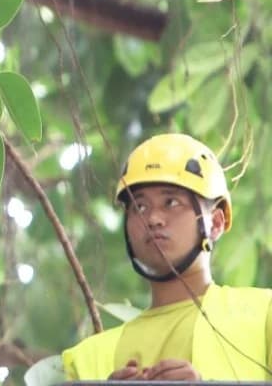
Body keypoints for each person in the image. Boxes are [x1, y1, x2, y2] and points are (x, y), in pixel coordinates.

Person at [61, 133, 272, 381]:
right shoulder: (87, 360)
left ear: (215, 222)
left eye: (171, 202)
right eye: (139, 206)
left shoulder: (263, 314)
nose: (152, 218)